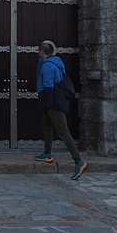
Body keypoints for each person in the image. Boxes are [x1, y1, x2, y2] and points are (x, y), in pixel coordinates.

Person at [34, 40, 87, 180]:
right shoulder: (55, 63)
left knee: (63, 132)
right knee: (46, 125)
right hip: (55, 102)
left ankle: (78, 161)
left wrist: (47, 104)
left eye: (38, 50)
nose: (37, 52)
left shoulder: (48, 67)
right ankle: (47, 153)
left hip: (54, 104)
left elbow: (48, 86)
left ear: (42, 52)